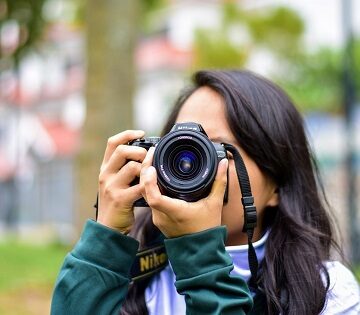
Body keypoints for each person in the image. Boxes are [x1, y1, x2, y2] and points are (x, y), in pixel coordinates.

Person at [51, 70, 360, 315]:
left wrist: (199, 257)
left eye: (218, 150)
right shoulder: (135, 276)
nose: (192, 166)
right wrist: (105, 243)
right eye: (179, 146)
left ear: (277, 185)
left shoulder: (327, 292)